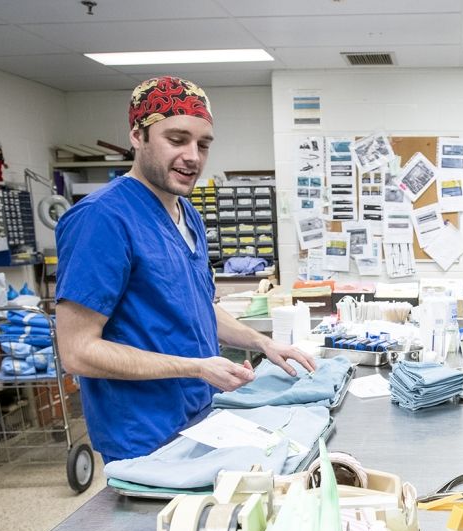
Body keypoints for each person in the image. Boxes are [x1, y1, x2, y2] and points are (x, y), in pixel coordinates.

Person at [55, 76, 315, 464]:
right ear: (137, 136)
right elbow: (77, 352)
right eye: (177, 140)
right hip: (143, 433)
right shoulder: (102, 219)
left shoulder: (186, 212)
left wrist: (262, 343)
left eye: (203, 144)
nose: (193, 156)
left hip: (200, 417)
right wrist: (195, 367)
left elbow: (196, 307)